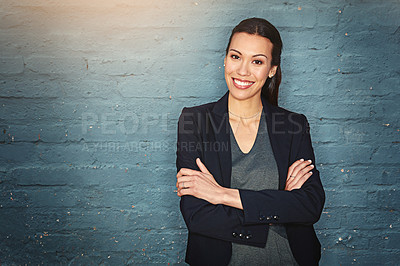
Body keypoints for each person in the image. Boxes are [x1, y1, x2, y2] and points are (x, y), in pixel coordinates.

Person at [175, 18, 325, 266]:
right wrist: (278, 206)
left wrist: (222, 195)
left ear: (272, 70)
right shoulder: (195, 121)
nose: (243, 71)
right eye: (236, 57)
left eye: (257, 61)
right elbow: (197, 213)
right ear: (225, 59)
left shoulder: (293, 125)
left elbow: (310, 206)